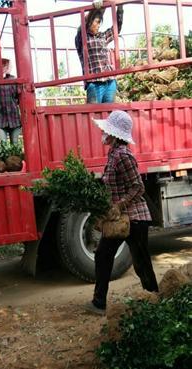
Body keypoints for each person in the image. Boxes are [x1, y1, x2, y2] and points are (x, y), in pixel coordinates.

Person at [85, 110, 159, 315]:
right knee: (103, 255)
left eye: (107, 130)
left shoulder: (124, 156)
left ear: (115, 134)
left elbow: (138, 187)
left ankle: (154, 300)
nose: (104, 134)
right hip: (122, 218)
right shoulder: (113, 154)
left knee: (141, 262)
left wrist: (119, 205)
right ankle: (99, 302)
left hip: (134, 218)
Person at [75, 0, 124, 103]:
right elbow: (83, 26)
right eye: (96, 22)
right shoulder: (82, 38)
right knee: (94, 115)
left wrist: (120, 7)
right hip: (94, 83)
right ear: (89, 22)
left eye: (99, 23)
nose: (98, 25)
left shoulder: (102, 36)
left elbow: (117, 28)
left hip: (110, 81)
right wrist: (98, 9)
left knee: (109, 115)